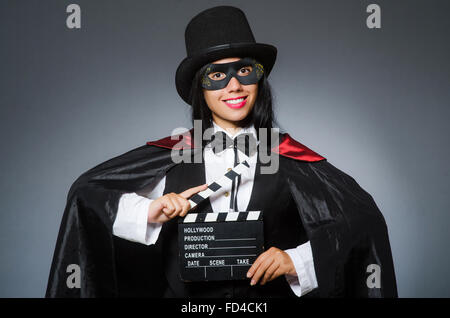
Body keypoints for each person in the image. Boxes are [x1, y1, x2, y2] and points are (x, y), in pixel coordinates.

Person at [46, 6, 397, 298]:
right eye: (217, 75)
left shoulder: (289, 156)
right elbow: (88, 197)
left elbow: (362, 224)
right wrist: (149, 211)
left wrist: (298, 260)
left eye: (244, 70)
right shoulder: (173, 154)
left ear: (259, 80)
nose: (233, 85)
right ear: (201, 87)